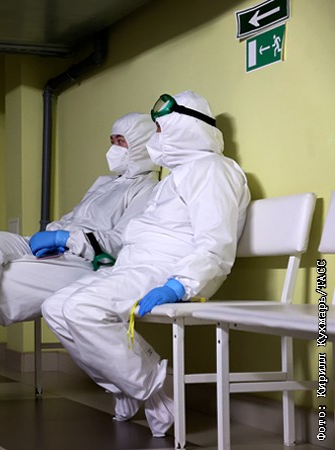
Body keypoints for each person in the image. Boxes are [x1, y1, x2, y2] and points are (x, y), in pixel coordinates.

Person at [0, 113, 158, 412]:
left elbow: (121, 242)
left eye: (121, 142)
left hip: (84, 262)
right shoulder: (105, 183)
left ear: (141, 145)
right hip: (54, 248)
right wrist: (53, 232)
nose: (113, 149)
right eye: (112, 141)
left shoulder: (148, 189)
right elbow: (75, 217)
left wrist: (66, 238)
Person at [40, 91, 250, 437]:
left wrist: (180, 283)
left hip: (169, 270)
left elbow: (215, 241)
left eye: (161, 129)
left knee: (81, 310)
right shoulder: (177, 177)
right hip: (136, 265)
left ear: (183, 128)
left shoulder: (212, 170)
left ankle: (156, 387)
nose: (156, 138)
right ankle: (125, 384)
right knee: (54, 307)